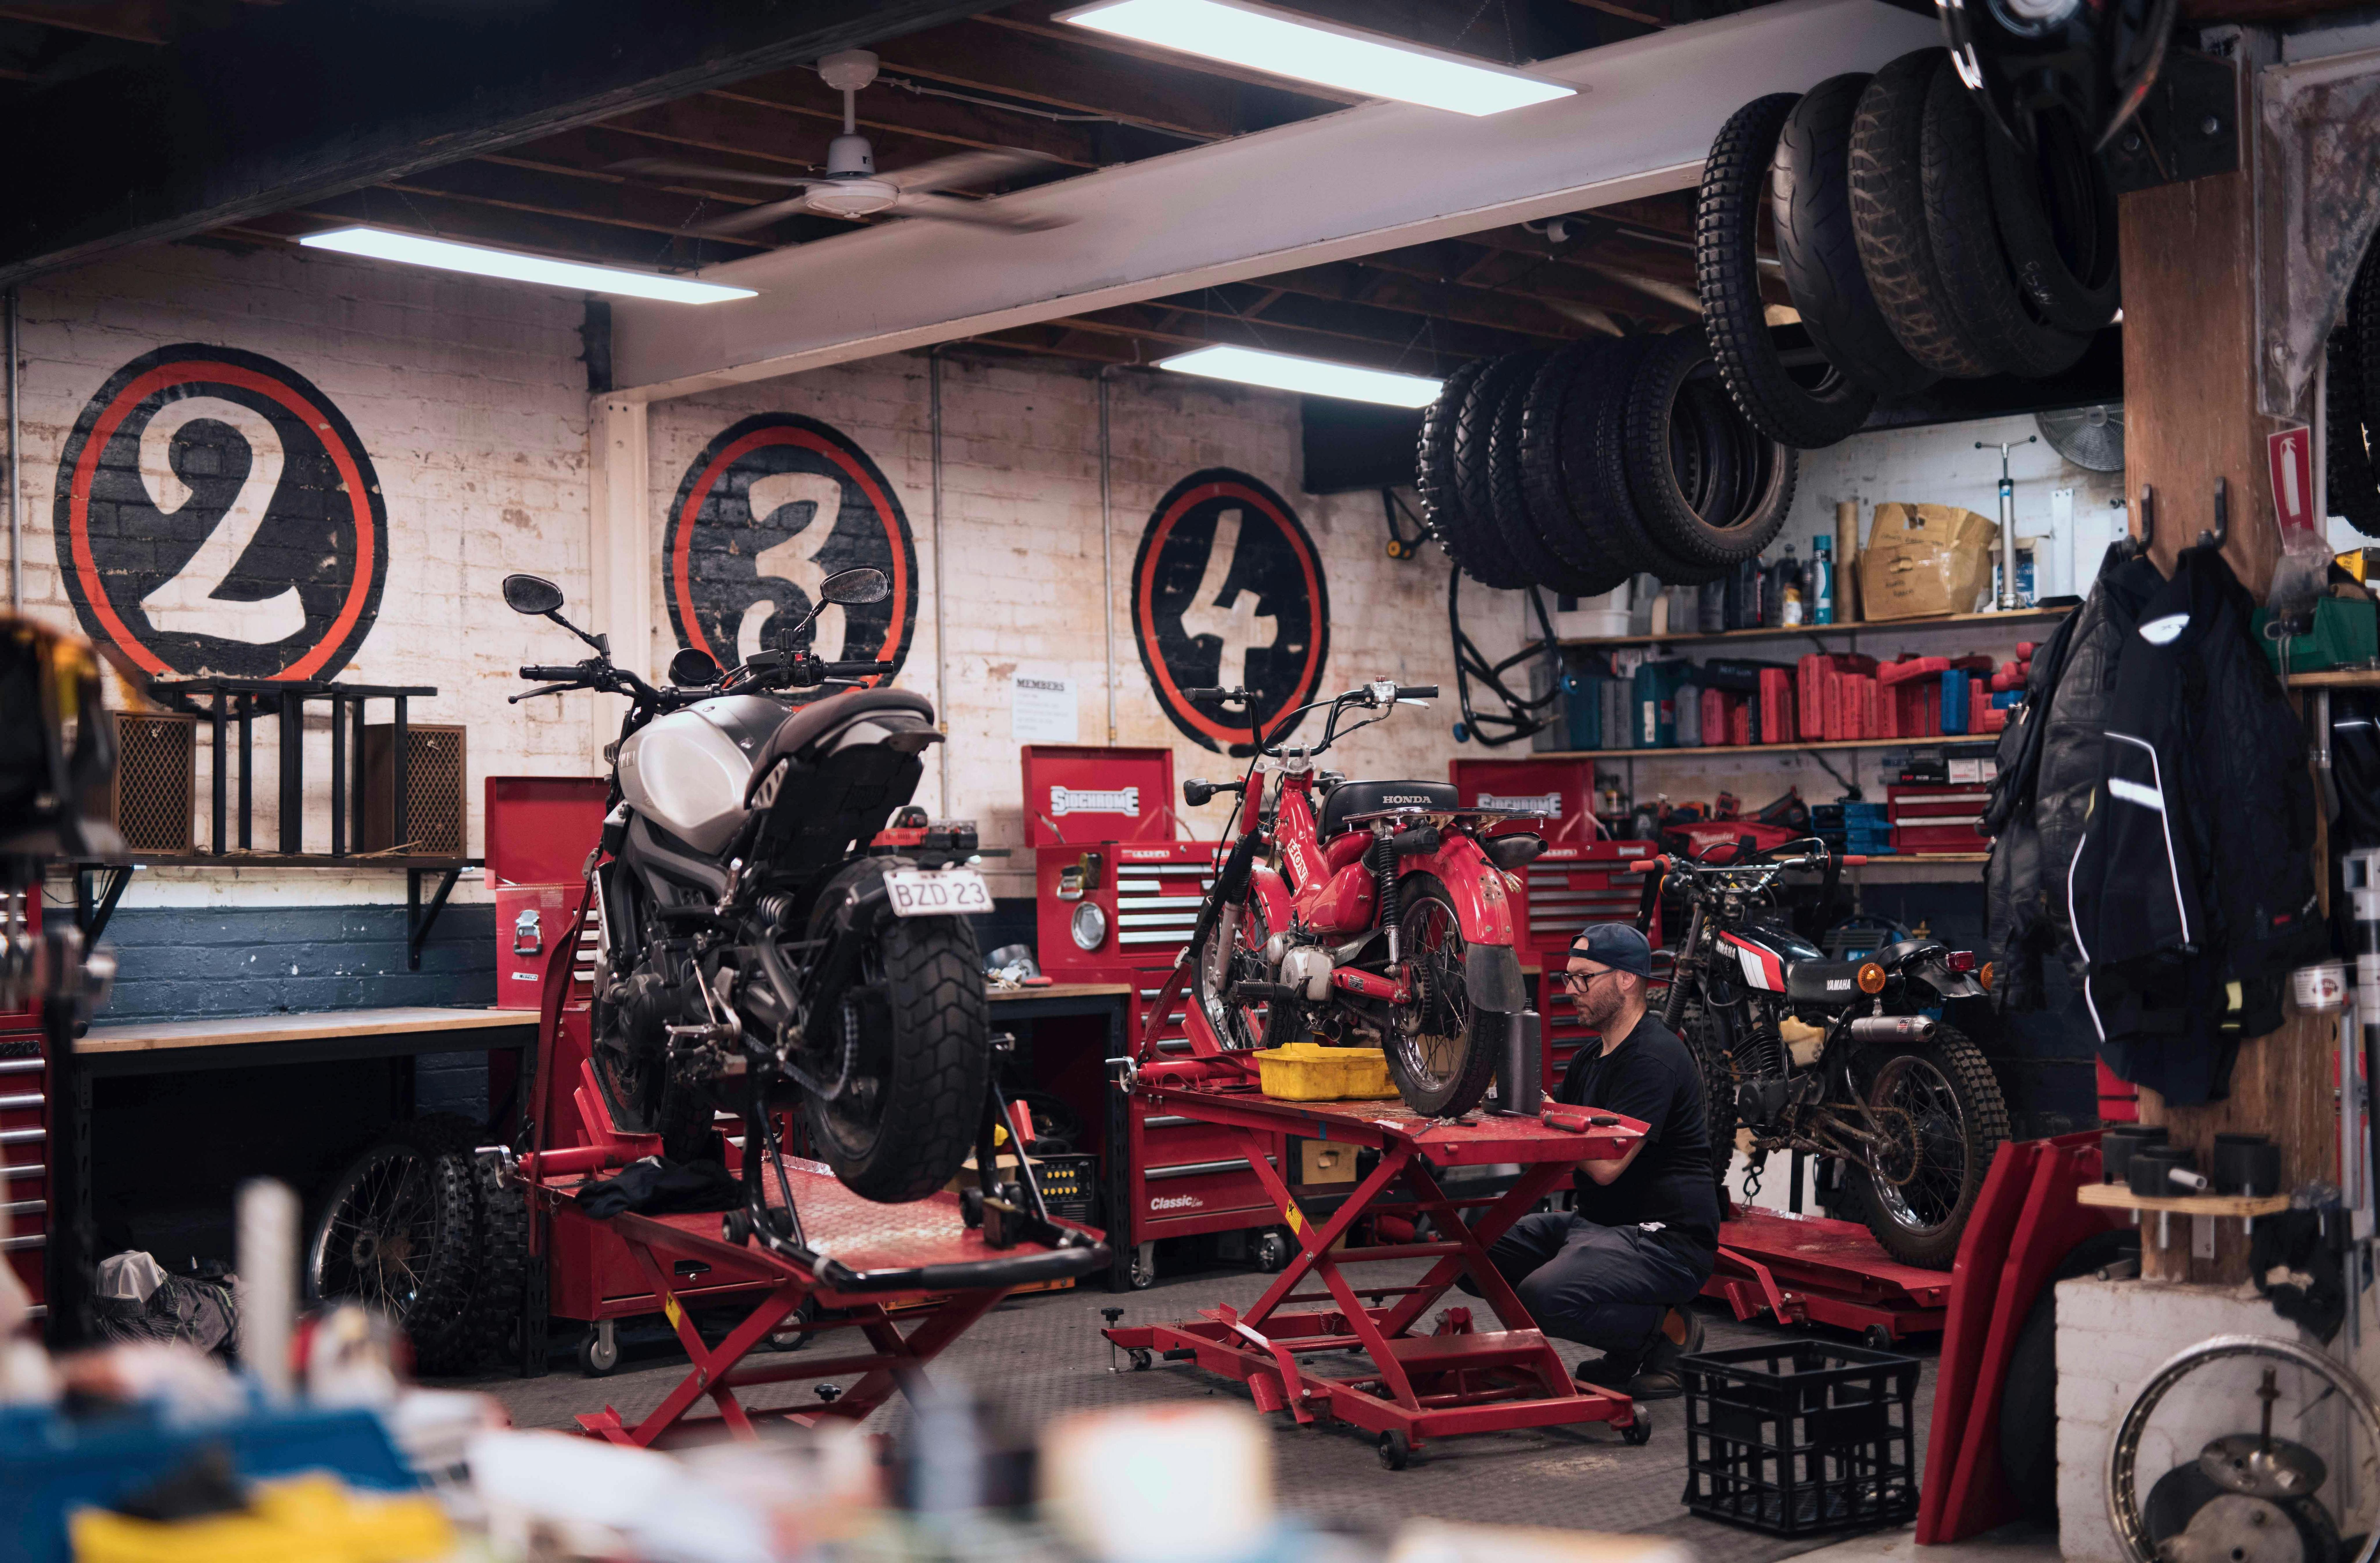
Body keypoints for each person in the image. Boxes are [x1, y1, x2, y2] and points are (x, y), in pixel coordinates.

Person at [1486, 923, 1718, 1400]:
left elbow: (1608, 1165)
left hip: (1666, 1238)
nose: (1570, 990)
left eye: (1584, 978)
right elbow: (1558, 1133)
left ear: (1627, 979)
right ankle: (1629, 1343)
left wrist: (1544, 1114)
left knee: (1544, 1295)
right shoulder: (1589, 1057)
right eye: (1568, 977)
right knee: (1477, 1251)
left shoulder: (1653, 1058)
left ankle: (1668, 1331)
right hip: (1598, 1225)